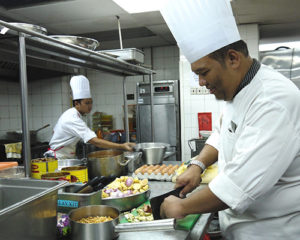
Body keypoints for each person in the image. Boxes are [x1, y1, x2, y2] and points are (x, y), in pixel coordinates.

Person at [159, 0, 300, 239]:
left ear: (233, 59)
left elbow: (240, 186)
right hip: (239, 226)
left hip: (271, 231)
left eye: (203, 73)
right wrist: (198, 165)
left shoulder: (273, 100)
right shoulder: (238, 91)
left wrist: (181, 206)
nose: (201, 83)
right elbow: (222, 132)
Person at [44, 75, 135, 159]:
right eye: (87, 103)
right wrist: (121, 146)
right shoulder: (72, 118)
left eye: (91, 102)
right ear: (76, 103)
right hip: (58, 159)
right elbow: (95, 141)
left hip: (65, 157)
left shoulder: (72, 114)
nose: (90, 106)